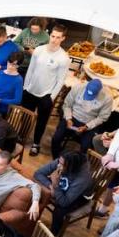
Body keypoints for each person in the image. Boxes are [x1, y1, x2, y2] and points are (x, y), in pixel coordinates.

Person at [21, 23, 69, 156]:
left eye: (58, 37)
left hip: (46, 95)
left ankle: (36, 144)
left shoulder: (64, 58)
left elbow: (60, 80)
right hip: (30, 90)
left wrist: (51, 97)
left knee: (41, 122)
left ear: (63, 38)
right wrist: (25, 87)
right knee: (25, 117)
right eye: (53, 36)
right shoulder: (39, 50)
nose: (54, 39)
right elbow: (31, 69)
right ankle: (21, 138)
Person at [32, 144, 93, 237]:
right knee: (38, 190)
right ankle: (31, 220)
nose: (58, 165)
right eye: (59, 162)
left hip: (80, 196)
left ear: (71, 167)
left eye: (62, 164)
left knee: (59, 211)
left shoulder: (82, 178)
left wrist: (56, 186)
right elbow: (38, 173)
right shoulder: (64, 160)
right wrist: (51, 186)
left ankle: (54, 235)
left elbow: (64, 202)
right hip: (61, 186)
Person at [50, 78, 114, 157]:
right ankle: (57, 158)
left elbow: (102, 117)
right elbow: (67, 105)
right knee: (56, 138)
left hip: (90, 122)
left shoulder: (107, 98)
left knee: (86, 147)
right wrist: (68, 118)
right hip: (72, 117)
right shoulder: (77, 88)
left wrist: (87, 126)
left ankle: (79, 163)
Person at [0, 51, 24, 116]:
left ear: (18, 65)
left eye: (14, 64)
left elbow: (17, 100)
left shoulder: (18, 80)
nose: (10, 66)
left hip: (4, 110)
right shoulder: (0, 73)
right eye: (9, 63)